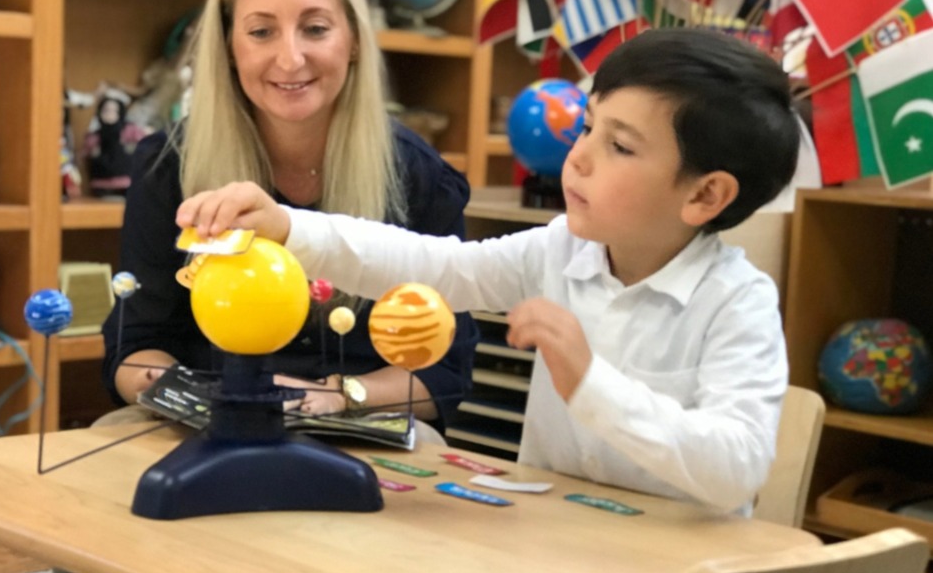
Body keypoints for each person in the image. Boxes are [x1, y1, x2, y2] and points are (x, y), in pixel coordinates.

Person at [176, 28, 802, 514]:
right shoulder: (562, 248)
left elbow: (738, 466)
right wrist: (290, 226)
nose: (578, 157)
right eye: (588, 127)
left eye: (619, 146)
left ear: (705, 197)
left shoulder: (737, 301)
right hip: (554, 548)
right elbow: (436, 265)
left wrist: (591, 382)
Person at [54, 0, 477, 573]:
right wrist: (194, 401)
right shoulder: (172, 168)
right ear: (228, 46)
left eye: (315, 28)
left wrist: (335, 398)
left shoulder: (418, 178)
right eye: (261, 31)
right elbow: (133, 348)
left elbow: (446, 372)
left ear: (354, 41)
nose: (289, 59)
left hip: (357, 432)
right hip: (201, 429)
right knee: (101, 473)